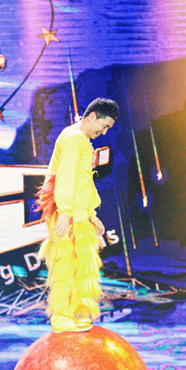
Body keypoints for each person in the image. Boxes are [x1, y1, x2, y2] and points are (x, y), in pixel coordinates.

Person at [37, 98, 120, 333]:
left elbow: (83, 180)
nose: (103, 132)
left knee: (82, 265)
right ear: (92, 116)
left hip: (78, 212)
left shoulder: (83, 140)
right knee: (66, 265)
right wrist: (64, 212)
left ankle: (75, 312)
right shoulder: (74, 137)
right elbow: (64, 176)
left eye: (108, 129)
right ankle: (61, 316)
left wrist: (91, 213)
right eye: (103, 126)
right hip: (67, 212)